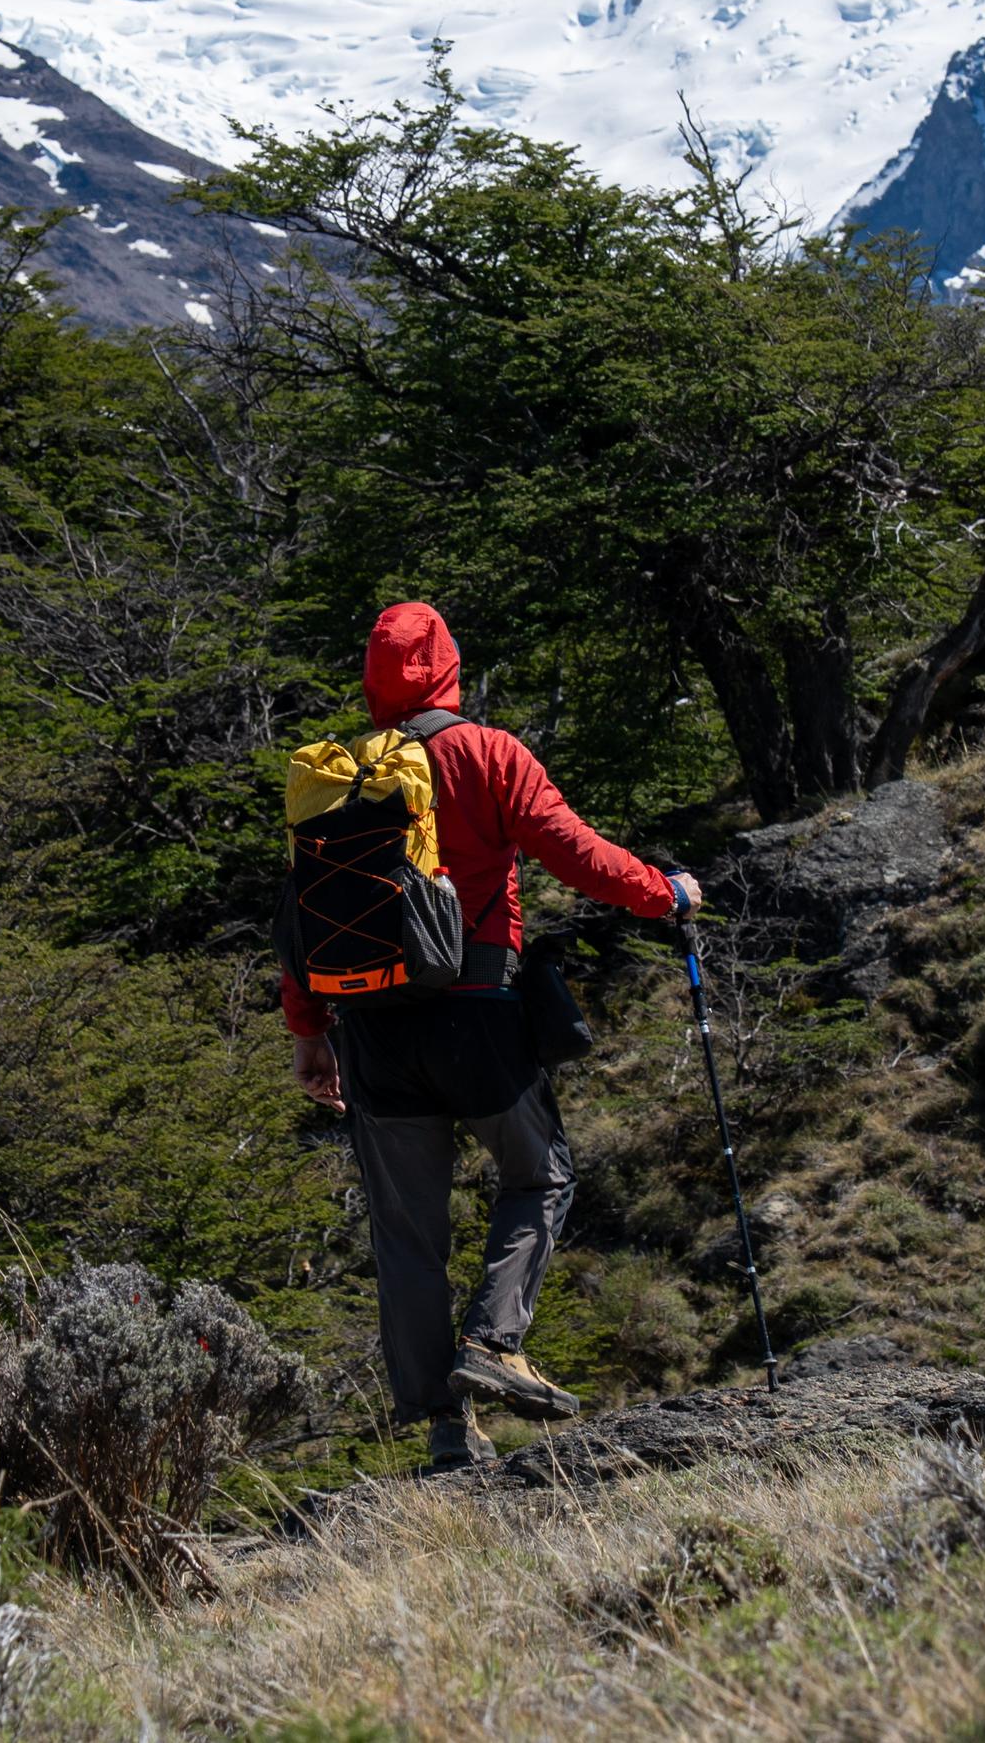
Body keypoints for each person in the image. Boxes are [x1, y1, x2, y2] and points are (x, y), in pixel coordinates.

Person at [285, 599, 699, 1472]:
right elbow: (575, 853)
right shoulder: (484, 751)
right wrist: (667, 894)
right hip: (474, 1006)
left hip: (370, 1030)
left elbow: (304, 912)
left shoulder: (337, 771)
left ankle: (444, 1425)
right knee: (540, 1173)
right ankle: (494, 1340)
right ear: (447, 666)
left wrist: (308, 1030)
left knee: (405, 1234)